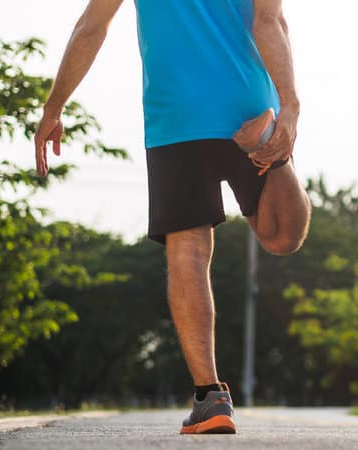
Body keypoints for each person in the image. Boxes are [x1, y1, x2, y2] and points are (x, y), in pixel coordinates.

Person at [34, 0, 311, 435]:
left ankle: (211, 397)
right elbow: (271, 20)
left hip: (176, 114)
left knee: (189, 249)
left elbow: (92, 25)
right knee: (282, 237)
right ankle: (275, 158)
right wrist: (290, 108)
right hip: (248, 100)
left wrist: (54, 108)